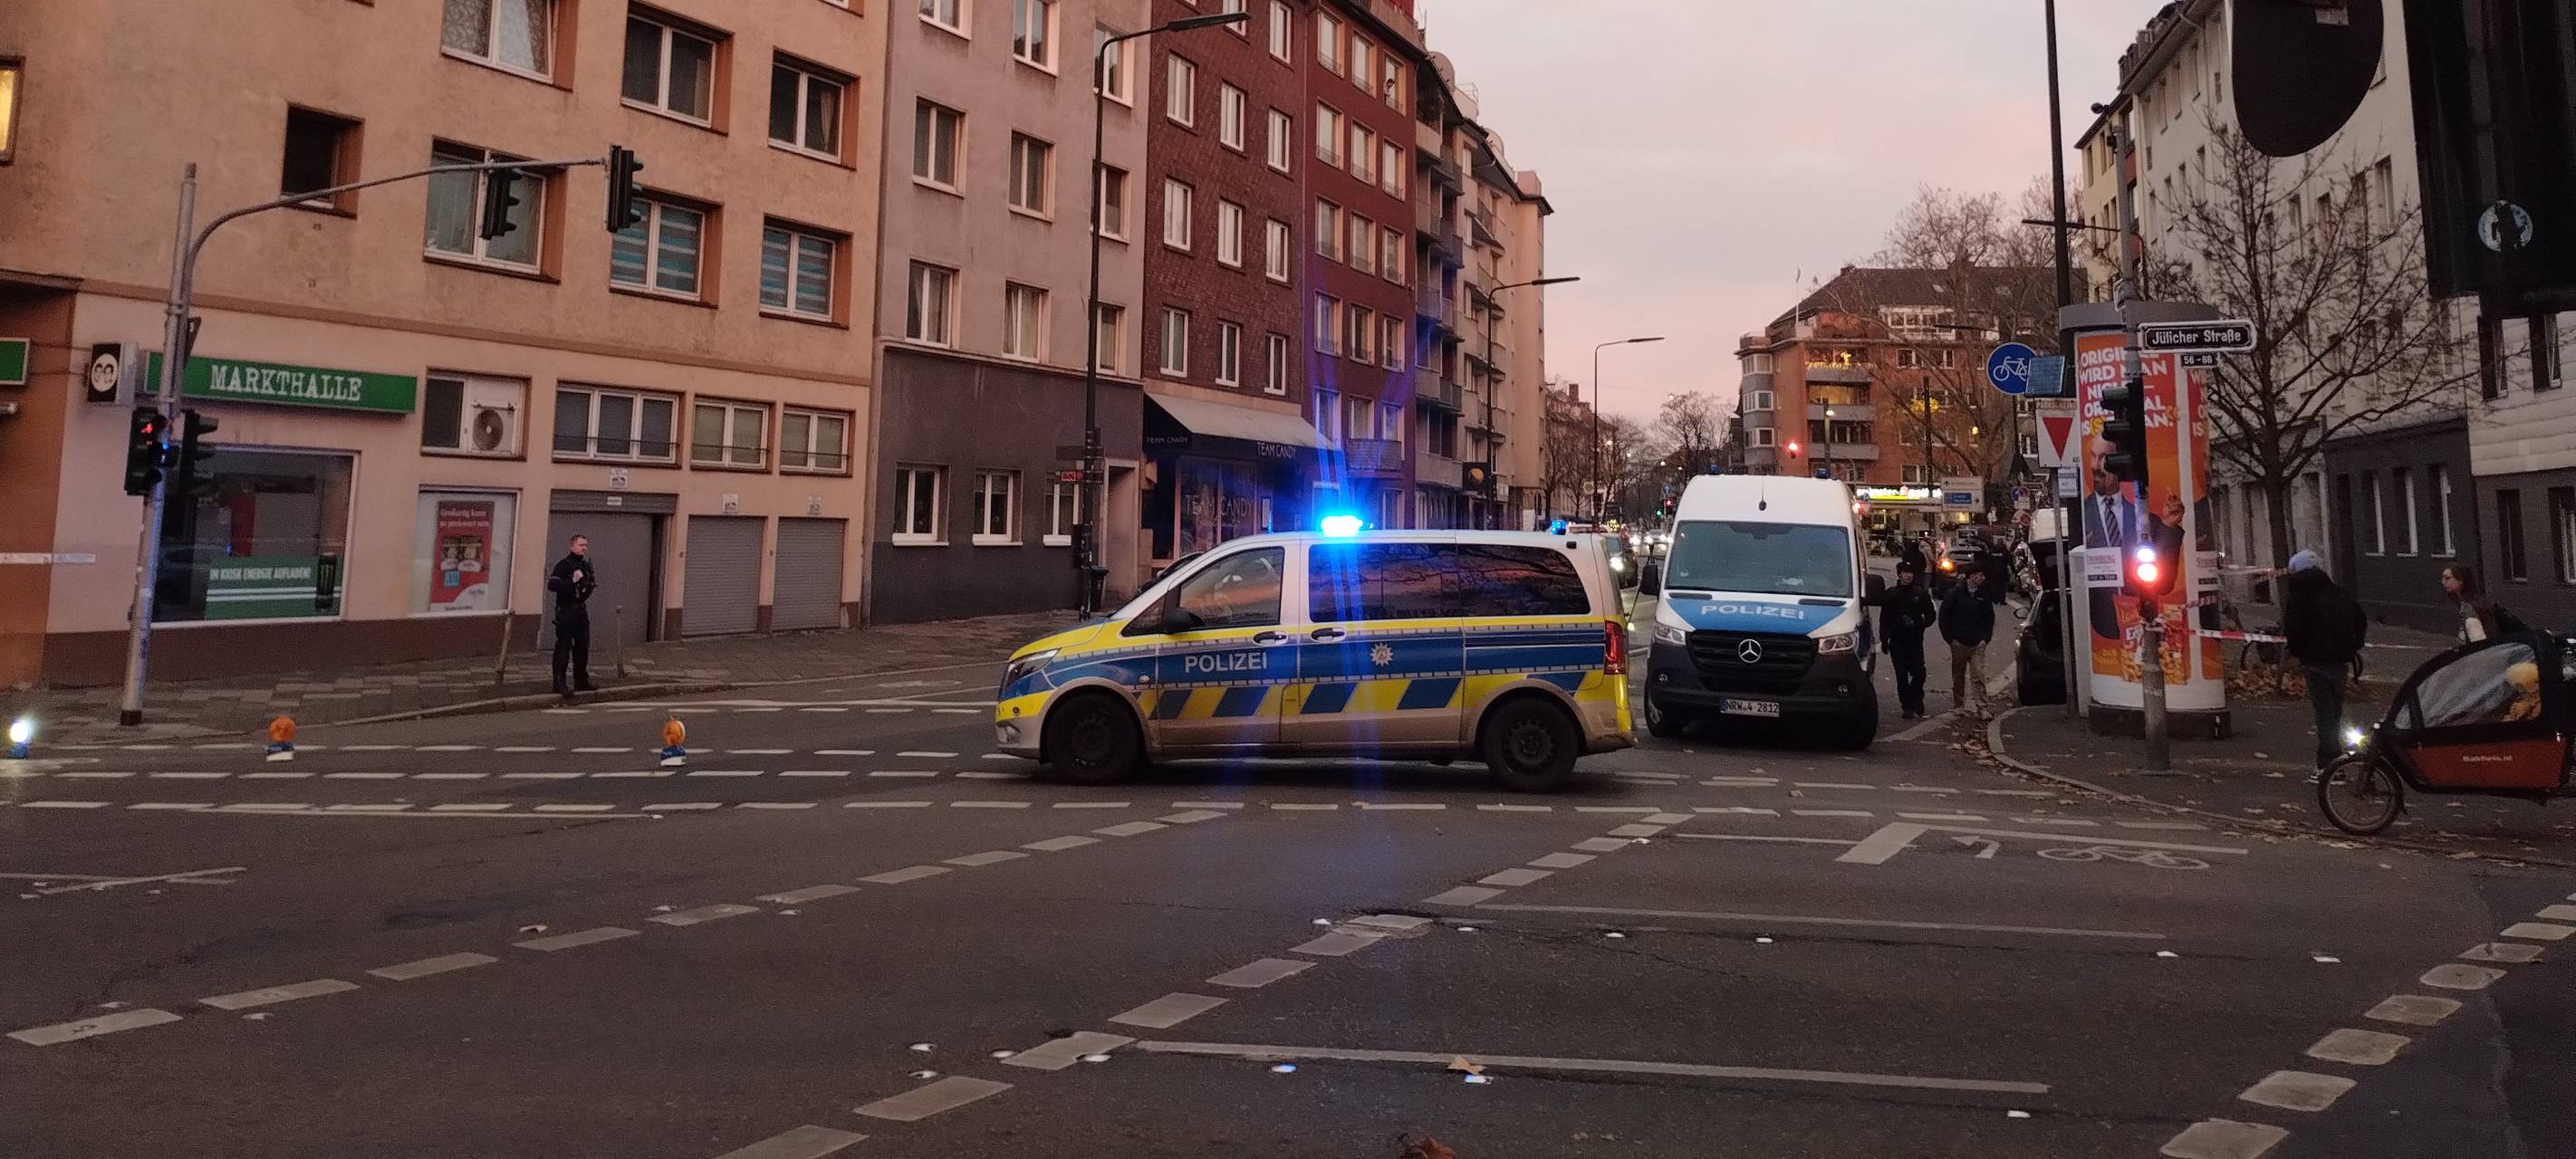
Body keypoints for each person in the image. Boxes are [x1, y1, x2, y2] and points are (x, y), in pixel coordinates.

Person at [2282, 550, 2367, 768]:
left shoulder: (2298, 597)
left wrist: (2298, 650)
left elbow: (2293, 628)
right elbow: (2358, 620)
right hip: (2340, 660)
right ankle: (2335, 760)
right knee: (2334, 711)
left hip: (2314, 661)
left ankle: (2329, 764)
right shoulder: (2338, 593)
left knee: (2324, 713)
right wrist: (2351, 647)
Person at [1879, 560, 1938, 719]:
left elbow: (1931, 615)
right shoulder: (1891, 594)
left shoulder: (1920, 593)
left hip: (1915, 641)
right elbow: (1884, 619)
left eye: (1911, 573)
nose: (1908, 576)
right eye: (1905, 573)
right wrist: (1884, 640)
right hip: (1897, 642)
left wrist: (1920, 624)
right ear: (1900, 575)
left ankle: (1916, 699)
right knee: (1901, 675)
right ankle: (1907, 706)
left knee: (1919, 673)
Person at [1939, 566, 1997, 719]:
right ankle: (1958, 704)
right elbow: (1944, 616)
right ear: (1971, 576)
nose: (1982, 578)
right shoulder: (1955, 594)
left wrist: (1986, 638)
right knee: (1958, 675)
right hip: (1959, 642)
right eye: (1979, 575)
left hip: (1978, 642)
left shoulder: (1983, 595)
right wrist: (1951, 639)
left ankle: (1982, 706)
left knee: (1978, 675)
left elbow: (1989, 617)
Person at [548, 534, 600, 697]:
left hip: (580, 609)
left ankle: (581, 680)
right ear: (572, 547)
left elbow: (588, 584)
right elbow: (552, 585)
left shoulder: (584, 565)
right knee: (563, 646)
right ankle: (559, 682)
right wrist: (571, 581)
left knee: (582, 646)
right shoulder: (563, 565)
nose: (584, 548)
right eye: (580, 545)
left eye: (585, 545)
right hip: (566, 609)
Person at [2440, 565, 2515, 643]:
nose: (2443, 582)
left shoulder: (2471, 609)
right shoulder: (2466, 603)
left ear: (2461, 580)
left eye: (2447, 578)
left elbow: (2479, 643)